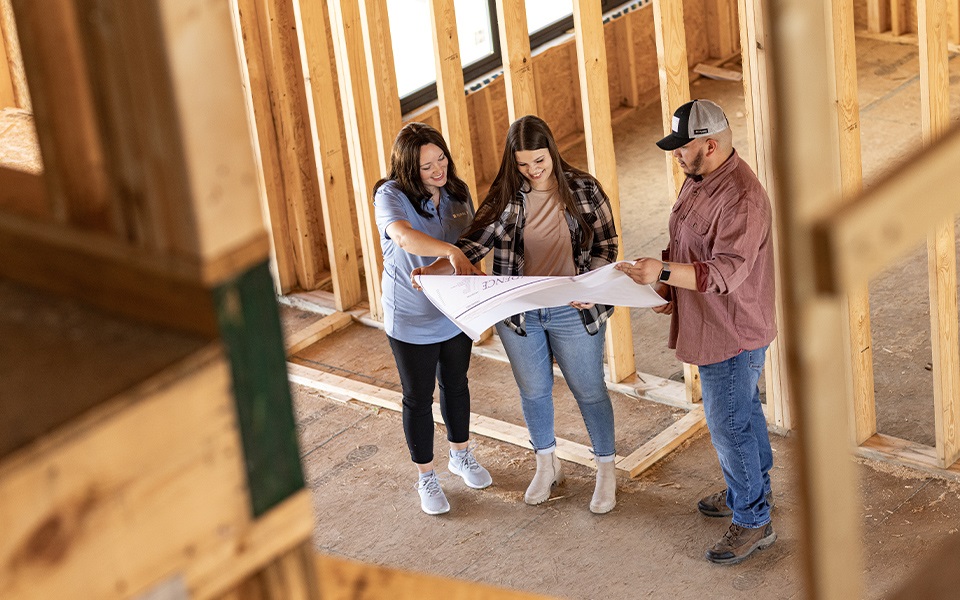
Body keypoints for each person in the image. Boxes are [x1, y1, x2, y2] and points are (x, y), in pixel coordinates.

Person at [415, 115, 620, 514]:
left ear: (552, 153)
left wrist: (590, 285)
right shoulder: (506, 196)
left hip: (573, 310)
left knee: (590, 391)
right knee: (533, 392)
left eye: (539, 161)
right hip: (521, 313)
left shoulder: (583, 189)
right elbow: (471, 246)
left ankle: (606, 470)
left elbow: (608, 244)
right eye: (523, 164)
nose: (532, 170)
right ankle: (547, 464)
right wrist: (432, 272)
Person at [616, 99, 777, 564]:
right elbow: (685, 241)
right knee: (742, 413)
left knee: (728, 425)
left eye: (683, 148)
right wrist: (666, 287)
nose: (676, 156)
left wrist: (662, 271)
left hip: (731, 330)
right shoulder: (698, 180)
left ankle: (752, 519)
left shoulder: (741, 199)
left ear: (710, 144)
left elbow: (725, 273)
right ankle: (752, 492)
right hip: (711, 323)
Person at [373, 122, 491, 516]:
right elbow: (404, 238)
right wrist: (452, 254)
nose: (438, 169)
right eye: (427, 166)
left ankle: (461, 455)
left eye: (441, 158)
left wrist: (474, 270)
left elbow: (472, 244)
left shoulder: (456, 193)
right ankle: (426, 475)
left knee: (456, 385)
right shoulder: (389, 195)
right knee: (418, 398)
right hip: (412, 318)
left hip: (454, 312)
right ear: (409, 170)